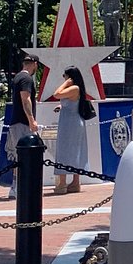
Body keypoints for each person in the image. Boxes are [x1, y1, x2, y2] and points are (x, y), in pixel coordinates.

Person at [52, 65, 95, 194]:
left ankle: (65, 183)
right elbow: (68, 101)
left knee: (68, 151)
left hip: (71, 124)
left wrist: (66, 82)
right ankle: (73, 182)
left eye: (64, 76)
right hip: (69, 122)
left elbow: (56, 94)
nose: (63, 78)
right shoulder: (74, 89)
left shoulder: (74, 88)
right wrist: (61, 106)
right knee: (68, 150)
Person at [5, 55, 40, 196]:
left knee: (17, 154)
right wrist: (32, 120)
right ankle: (18, 187)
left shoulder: (18, 77)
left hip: (16, 121)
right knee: (23, 154)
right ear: (35, 64)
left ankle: (16, 185)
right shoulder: (26, 79)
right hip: (22, 123)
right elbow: (26, 100)